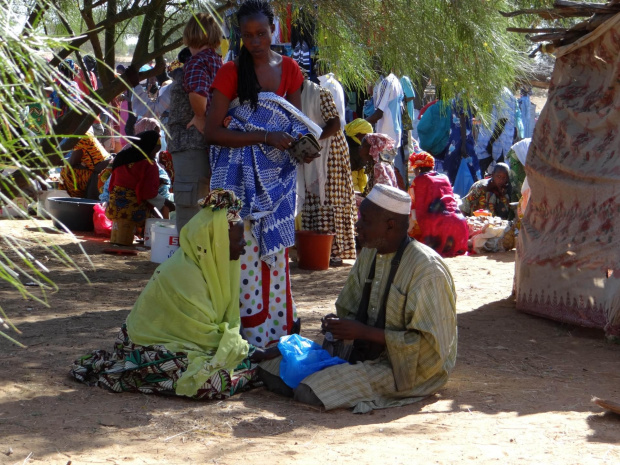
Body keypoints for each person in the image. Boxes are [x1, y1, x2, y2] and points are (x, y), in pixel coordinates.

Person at [259, 184, 458, 412]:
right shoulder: (371, 251)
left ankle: (327, 382)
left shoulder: (427, 269)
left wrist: (363, 332)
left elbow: (430, 350)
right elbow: (350, 310)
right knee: (270, 366)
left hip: (406, 369)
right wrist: (338, 325)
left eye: (365, 220)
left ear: (390, 225)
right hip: (359, 354)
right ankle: (331, 378)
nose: (358, 225)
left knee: (310, 389)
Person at [70, 190, 279, 399]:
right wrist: (254, 353)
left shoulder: (211, 269)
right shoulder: (185, 275)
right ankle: (251, 372)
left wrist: (241, 350)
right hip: (148, 348)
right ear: (217, 244)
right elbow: (202, 333)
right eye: (239, 241)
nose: (243, 248)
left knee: (225, 363)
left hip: (185, 343)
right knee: (209, 382)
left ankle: (247, 369)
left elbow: (212, 329)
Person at [205, 0, 318, 348]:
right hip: (237, 179)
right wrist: (263, 136)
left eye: (262, 34)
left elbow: (294, 123)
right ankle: (245, 340)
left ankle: (276, 336)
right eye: (247, 35)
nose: (254, 41)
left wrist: (303, 145)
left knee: (275, 255)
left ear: (274, 31)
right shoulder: (231, 72)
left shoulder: (289, 70)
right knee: (243, 255)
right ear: (240, 35)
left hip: (277, 178)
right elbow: (213, 131)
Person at [170, 13, 222, 231]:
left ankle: (188, 262)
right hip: (209, 146)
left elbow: (198, 93)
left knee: (190, 206)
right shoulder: (217, 62)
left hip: (191, 144)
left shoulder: (196, 63)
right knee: (205, 207)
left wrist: (200, 117)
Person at [300, 77, 357, 266]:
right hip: (312, 149)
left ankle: (334, 251)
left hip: (331, 151)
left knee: (331, 197)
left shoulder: (320, 93)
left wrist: (315, 141)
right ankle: (315, 250)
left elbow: (335, 124)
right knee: (313, 197)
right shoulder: (292, 96)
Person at [105, 130, 173, 245]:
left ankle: (126, 235)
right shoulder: (149, 165)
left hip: (113, 207)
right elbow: (148, 194)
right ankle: (158, 237)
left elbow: (114, 184)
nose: (156, 154)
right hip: (132, 211)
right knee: (163, 210)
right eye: (155, 150)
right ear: (149, 147)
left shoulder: (121, 159)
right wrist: (166, 202)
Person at [408, 152, 469, 257]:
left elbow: (412, 207)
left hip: (437, 228)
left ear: (418, 169)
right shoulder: (444, 177)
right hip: (460, 227)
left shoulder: (419, 180)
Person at [366, 72, 406, 188]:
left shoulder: (385, 83)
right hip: (394, 132)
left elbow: (378, 113)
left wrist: (359, 124)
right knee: (390, 172)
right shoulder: (396, 81)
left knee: (384, 175)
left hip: (385, 135)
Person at [475, 87, 517, 176]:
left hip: (498, 142)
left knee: (500, 174)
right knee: (482, 174)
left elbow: (503, 120)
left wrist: (491, 142)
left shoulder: (503, 94)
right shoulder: (492, 91)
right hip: (487, 142)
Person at [59, 128, 111, 199]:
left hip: (97, 170)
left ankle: (75, 200)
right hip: (99, 166)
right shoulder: (85, 132)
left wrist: (58, 162)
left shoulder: (80, 137)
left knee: (66, 173)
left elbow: (72, 161)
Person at [345, 118, 374, 193]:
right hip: (351, 182)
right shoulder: (356, 148)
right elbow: (362, 163)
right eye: (366, 136)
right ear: (358, 135)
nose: (368, 139)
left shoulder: (346, 140)